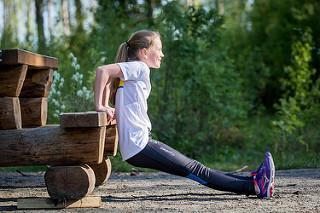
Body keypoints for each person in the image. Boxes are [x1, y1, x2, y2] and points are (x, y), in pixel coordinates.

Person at [94, 30, 275, 199]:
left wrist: (107, 106)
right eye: (159, 49)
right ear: (143, 52)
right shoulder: (140, 68)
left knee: (194, 168)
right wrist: (100, 105)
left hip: (137, 145)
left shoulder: (129, 71)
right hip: (139, 144)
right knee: (196, 169)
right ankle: (255, 187)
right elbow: (103, 71)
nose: (162, 54)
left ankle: (251, 181)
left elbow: (108, 79)